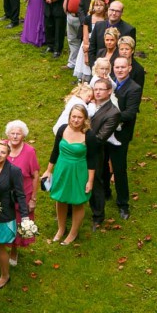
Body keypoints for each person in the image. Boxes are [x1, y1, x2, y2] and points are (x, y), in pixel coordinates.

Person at [41, 105, 99, 245]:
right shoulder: (62, 129)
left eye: (79, 117)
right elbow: (55, 151)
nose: (76, 120)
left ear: (85, 119)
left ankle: (73, 233)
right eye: (74, 116)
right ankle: (61, 229)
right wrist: (49, 170)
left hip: (79, 170)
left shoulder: (89, 135)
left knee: (77, 201)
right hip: (62, 168)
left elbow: (92, 160)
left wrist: (90, 181)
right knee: (60, 198)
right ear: (69, 117)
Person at [0, 140, 28, 288]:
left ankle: (5, 275)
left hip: (3, 214)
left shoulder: (13, 171)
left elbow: (20, 195)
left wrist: (25, 216)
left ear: (8, 154)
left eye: (3, 152)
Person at [107, 56, 143, 220]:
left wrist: (108, 117)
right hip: (104, 133)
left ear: (129, 68)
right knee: (101, 164)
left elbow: (130, 113)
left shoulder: (134, 88)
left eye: (123, 67)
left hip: (121, 135)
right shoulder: (109, 83)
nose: (119, 70)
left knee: (119, 169)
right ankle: (105, 193)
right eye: (117, 67)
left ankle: (123, 204)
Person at [87, 78, 121, 230]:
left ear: (109, 92)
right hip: (79, 151)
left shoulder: (113, 112)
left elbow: (101, 137)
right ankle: (68, 210)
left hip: (95, 153)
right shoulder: (88, 104)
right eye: (96, 89)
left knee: (96, 184)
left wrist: (81, 140)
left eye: (101, 89)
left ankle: (98, 216)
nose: (98, 92)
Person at [5, 120, 39, 264]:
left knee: (18, 223)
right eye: (12, 133)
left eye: (18, 134)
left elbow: (36, 175)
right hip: (4, 193)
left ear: (23, 136)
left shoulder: (29, 151)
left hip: (23, 193)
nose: (15, 136)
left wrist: (33, 199)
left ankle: (14, 250)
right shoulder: (2, 147)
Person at [88, 0, 136, 67]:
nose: (113, 13)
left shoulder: (128, 30)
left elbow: (129, 54)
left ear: (122, 13)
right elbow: (92, 49)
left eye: (117, 11)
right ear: (108, 10)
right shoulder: (98, 25)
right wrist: (94, 67)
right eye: (112, 10)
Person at [75, 0, 109, 81]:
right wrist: (86, 54)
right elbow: (85, 36)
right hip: (88, 44)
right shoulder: (88, 18)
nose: (98, 8)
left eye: (101, 5)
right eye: (96, 5)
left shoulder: (106, 20)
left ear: (105, 7)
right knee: (87, 66)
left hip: (100, 46)